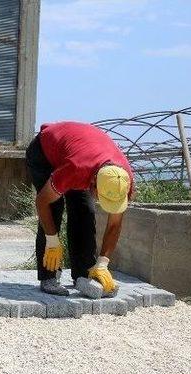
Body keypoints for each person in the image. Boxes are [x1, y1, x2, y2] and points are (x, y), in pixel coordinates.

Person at [25, 121, 134, 298]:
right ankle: (48, 277)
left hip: (81, 154)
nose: (101, 200)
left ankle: (85, 275)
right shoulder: (76, 169)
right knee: (53, 208)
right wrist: (52, 240)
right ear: (93, 184)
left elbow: (115, 224)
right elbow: (41, 202)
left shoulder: (122, 180)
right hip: (44, 151)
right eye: (101, 196)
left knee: (85, 212)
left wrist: (103, 263)